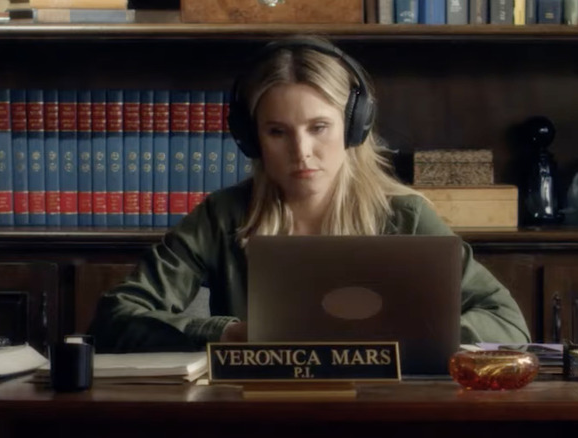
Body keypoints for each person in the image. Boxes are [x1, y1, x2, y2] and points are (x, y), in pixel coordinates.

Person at [89, 36, 531, 352]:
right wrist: (227, 333)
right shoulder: (224, 214)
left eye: (319, 127)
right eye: (278, 131)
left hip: (382, 412)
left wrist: (412, 333)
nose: (301, 152)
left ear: (354, 126)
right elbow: (116, 317)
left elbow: (507, 323)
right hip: (257, 414)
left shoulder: (404, 216)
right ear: (251, 137)